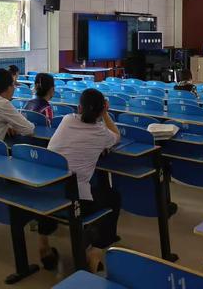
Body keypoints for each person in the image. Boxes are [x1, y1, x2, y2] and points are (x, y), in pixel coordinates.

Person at [38, 89, 121, 273]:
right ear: (101, 111)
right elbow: (116, 136)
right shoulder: (101, 133)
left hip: (46, 194)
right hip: (76, 202)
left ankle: (43, 246)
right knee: (113, 198)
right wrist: (106, 114)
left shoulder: (67, 120)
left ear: (79, 107)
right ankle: (95, 253)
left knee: (61, 183)